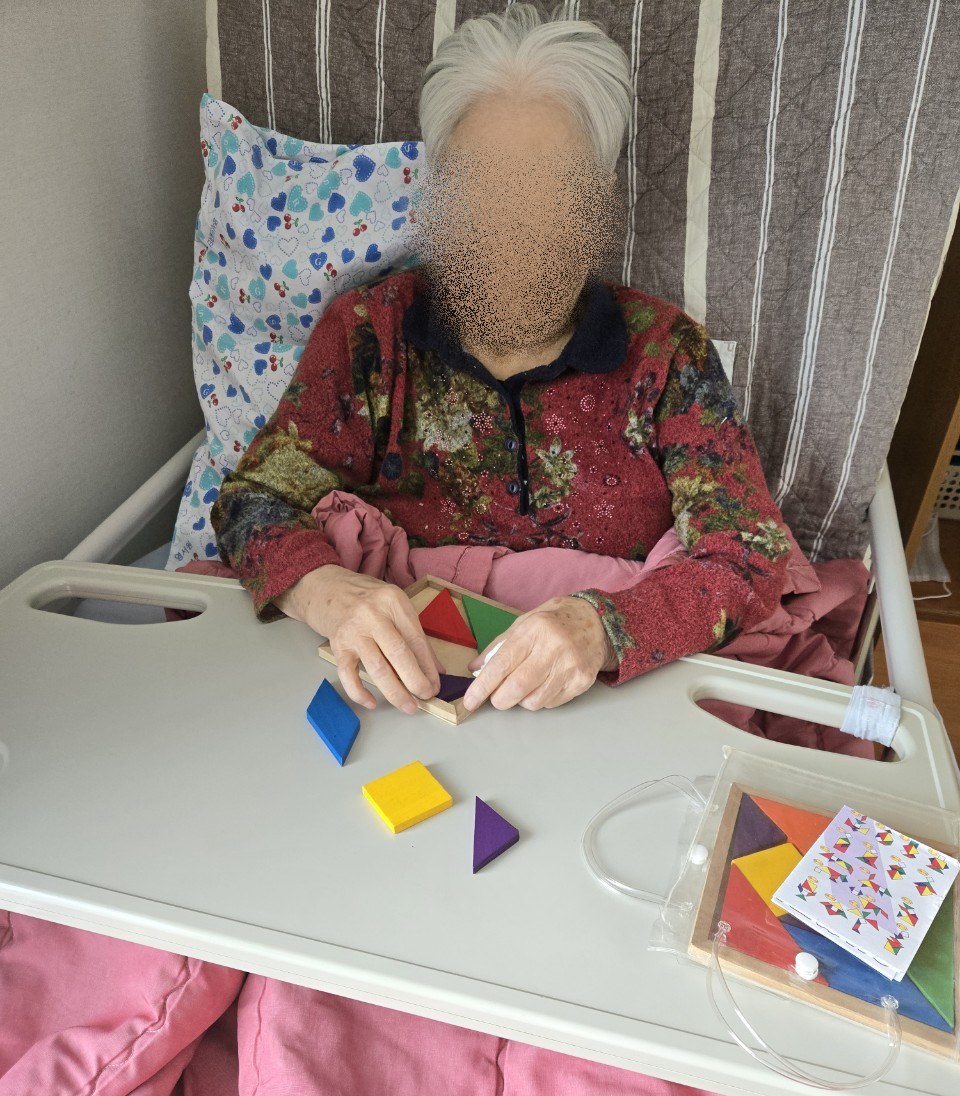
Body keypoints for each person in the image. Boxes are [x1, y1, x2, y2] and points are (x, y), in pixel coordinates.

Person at [212, 3, 791, 717]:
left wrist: (601, 627)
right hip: (398, 705)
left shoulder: (668, 354)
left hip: (612, 710)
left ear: (598, 200)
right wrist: (331, 594)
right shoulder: (370, 332)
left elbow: (748, 553)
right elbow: (251, 502)